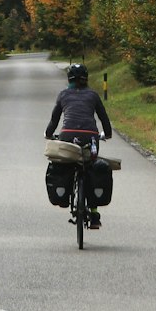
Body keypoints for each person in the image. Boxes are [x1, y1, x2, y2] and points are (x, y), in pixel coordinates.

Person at [45, 63, 112, 228]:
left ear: (69, 79)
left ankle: (66, 196)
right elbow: (104, 118)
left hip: (67, 135)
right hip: (91, 138)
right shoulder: (93, 95)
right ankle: (94, 213)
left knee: (68, 164)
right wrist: (107, 134)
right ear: (86, 78)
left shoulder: (63, 95)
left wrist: (48, 134)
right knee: (91, 167)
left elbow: (54, 120)